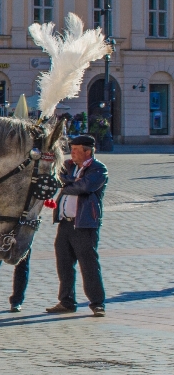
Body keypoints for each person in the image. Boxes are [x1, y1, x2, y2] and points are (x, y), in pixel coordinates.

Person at [47, 134, 108, 317]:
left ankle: (97, 303)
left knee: (88, 265)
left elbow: (84, 187)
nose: (71, 153)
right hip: (65, 224)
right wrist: (69, 182)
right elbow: (56, 177)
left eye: (75, 150)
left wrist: (67, 184)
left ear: (87, 152)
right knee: (64, 265)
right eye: (71, 149)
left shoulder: (98, 169)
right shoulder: (69, 166)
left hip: (84, 224)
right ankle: (66, 301)